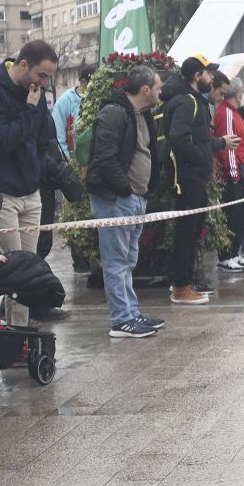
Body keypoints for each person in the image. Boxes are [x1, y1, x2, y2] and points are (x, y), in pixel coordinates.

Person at [86, 65, 165, 337]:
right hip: (115, 199)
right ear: (145, 89)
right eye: (157, 87)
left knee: (128, 261)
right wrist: (125, 190)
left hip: (135, 199)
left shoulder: (143, 115)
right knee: (116, 262)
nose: (160, 92)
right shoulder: (115, 112)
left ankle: (131, 313)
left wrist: (144, 192)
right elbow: (105, 158)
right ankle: (121, 321)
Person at [161, 55, 240, 305]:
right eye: (208, 73)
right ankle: (180, 286)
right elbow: (181, 140)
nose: (211, 78)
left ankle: (185, 280)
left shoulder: (193, 100)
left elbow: (198, 139)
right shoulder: (186, 102)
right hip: (187, 176)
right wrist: (203, 156)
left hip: (194, 175)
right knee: (186, 232)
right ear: (197, 76)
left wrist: (212, 147)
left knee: (193, 230)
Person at [0, 41, 58, 255]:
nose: (44, 82)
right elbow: (2, 141)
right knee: (13, 267)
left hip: (31, 192)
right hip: (3, 195)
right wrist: (30, 109)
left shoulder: (35, 92)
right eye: (41, 75)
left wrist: (36, 174)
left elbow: (42, 141)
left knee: (31, 267)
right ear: (23, 65)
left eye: (48, 76)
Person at [213, 76, 244, 274]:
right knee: (231, 216)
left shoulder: (233, 113)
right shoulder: (226, 114)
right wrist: (233, 174)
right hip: (234, 174)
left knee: (239, 217)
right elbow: (229, 146)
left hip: (240, 171)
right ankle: (226, 255)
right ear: (238, 94)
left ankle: (234, 252)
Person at [51, 65, 95, 158]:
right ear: (83, 82)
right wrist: (68, 163)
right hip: (72, 160)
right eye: (92, 85)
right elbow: (58, 138)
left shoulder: (97, 99)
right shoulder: (64, 102)